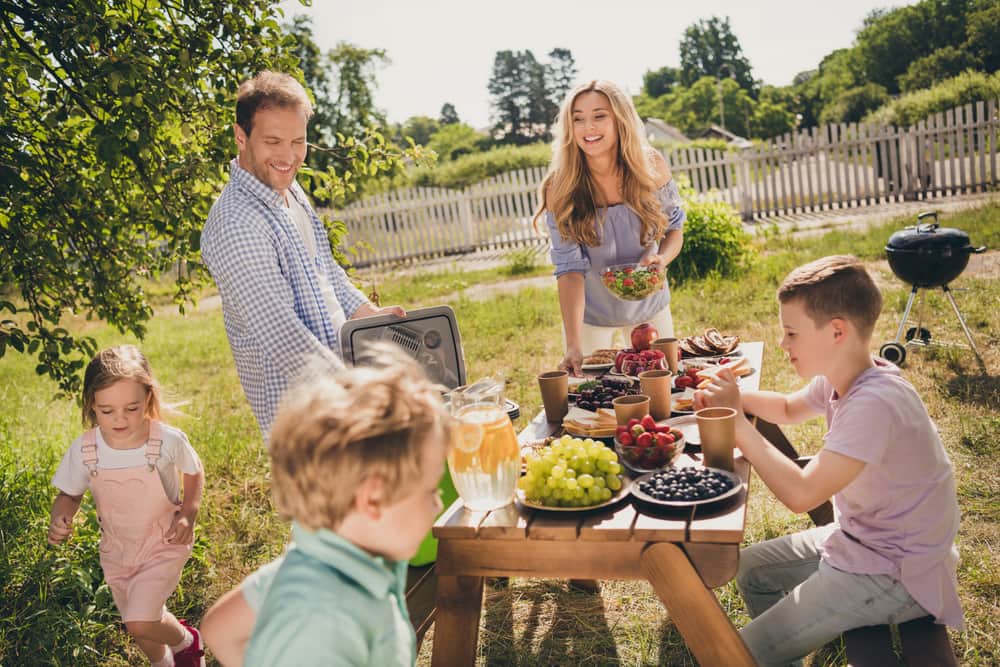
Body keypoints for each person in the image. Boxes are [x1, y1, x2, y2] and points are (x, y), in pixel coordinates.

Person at [694, 255, 963, 666]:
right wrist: (732, 393)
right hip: (863, 539)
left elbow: (802, 494)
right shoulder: (849, 374)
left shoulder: (874, 404)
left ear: (837, 331)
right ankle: (785, 644)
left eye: (791, 333)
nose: (783, 344)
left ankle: (766, 650)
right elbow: (785, 408)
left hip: (895, 573)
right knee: (748, 570)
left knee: (730, 656)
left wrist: (738, 426)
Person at [211, 344, 450, 666]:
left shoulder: (313, 561)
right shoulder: (323, 622)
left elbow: (219, 630)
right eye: (431, 490)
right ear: (373, 499)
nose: (438, 504)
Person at [201, 70, 404, 438]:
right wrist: (362, 397)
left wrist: (367, 314)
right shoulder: (236, 223)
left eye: (298, 141)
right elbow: (286, 339)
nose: (288, 155)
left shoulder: (291, 192)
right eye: (273, 141)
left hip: (341, 393)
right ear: (240, 137)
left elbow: (325, 271)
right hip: (308, 421)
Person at [47, 345, 207, 667]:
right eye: (107, 411)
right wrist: (60, 516)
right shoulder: (86, 449)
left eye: (132, 408)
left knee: (138, 620)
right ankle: (165, 663)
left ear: (148, 398)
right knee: (141, 625)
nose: (120, 419)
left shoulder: (165, 440)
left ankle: (187, 642)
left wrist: (189, 512)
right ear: (92, 404)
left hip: (163, 542)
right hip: (118, 551)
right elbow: (70, 494)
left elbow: (194, 470)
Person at [532, 79, 685, 376]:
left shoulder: (651, 166)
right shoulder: (560, 187)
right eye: (578, 119)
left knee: (665, 386)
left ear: (620, 119)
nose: (588, 127)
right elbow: (569, 270)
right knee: (593, 400)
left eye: (599, 116)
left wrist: (661, 259)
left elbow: (674, 229)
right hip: (592, 313)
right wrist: (573, 344)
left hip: (650, 305)